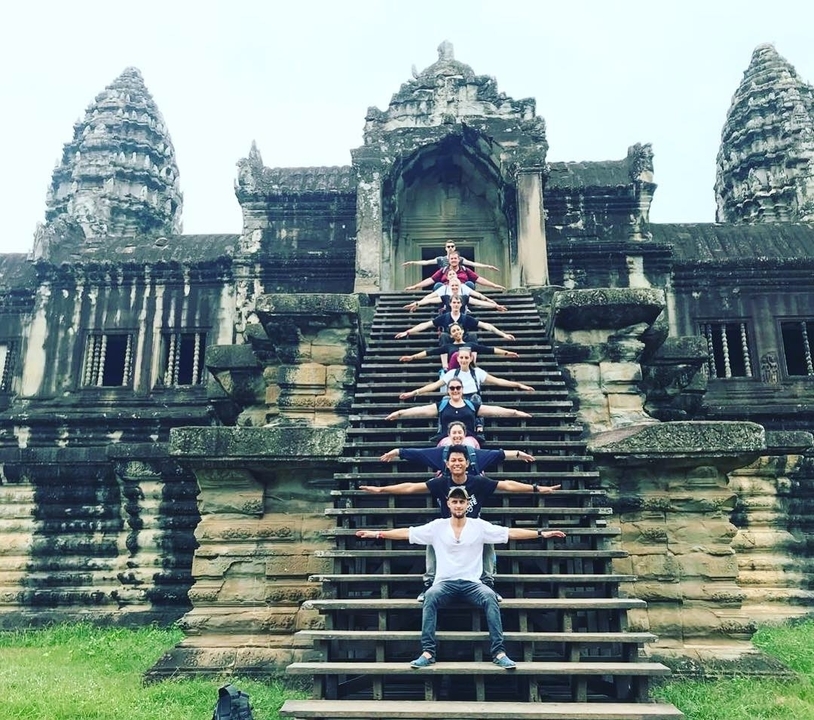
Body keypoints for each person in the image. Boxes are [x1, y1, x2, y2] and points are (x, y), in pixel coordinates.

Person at [356, 485, 566, 669]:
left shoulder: (479, 526)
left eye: (461, 501)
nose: (458, 505)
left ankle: (499, 652)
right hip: (444, 583)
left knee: (490, 597)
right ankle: (428, 652)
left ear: (467, 504)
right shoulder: (437, 526)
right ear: (448, 503)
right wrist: (377, 534)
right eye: (454, 501)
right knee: (430, 597)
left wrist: (540, 533)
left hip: (472, 583)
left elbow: (509, 533)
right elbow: (407, 533)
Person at [359, 445, 560, 600]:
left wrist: (536, 488)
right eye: (453, 460)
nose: (456, 463)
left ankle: (487, 585)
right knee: (431, 540)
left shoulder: (478, 481)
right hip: (447, 528)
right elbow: (412, 487)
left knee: (488, 542)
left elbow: (507, 485)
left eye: (460, 460)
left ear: (466, 463)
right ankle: (429, 585)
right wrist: (382, 490)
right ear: (447, 464)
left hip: (473, 526)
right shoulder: (441, 483)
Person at [386, 380, 530, 443]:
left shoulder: (472, 405)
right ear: (448, 390)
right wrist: (400, 413)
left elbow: (495, 411)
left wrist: (515, 413)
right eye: (452, 388)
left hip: (469, 438)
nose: (455, 390)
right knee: (447, 446)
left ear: (462, 390)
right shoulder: (441, 405)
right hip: (446, 439)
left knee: (468, 446)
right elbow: (419, 411)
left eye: (458, 388)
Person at [399, 346, 533, 403]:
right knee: (445, 400)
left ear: (470, 359)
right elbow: (435, 385)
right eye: (461, 358)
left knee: (475, 399)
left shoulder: (477, 372)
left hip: (472, 399)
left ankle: (479, 426)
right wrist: (413, 393)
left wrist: (519, 385)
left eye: (466, 358)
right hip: (456, 399)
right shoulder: (452, 373)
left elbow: (498, 381)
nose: (463, 360)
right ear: (458, 359)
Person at [380, 420, 536, 468]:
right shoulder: (442, 451)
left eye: (459, 433)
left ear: (464, 434)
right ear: (449, 435)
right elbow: (419, 453)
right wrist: (398, 452)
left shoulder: (472, 451)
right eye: (454, 433)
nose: (457, 436)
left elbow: (498, 454)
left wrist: (517, 454)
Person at [400, 322, 518, 372]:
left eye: (458, 329)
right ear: (451, 335)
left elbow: (489, 350)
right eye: (454, 331)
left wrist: (507, 353)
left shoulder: (470, 345)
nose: (457, 332)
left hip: (467, 370)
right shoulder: (448, 346)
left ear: (462, 331)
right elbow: (429, 352)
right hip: (454, 372)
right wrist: (412, 357)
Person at [395, 296, 514, 345]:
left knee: (473, 335)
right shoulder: (444, 317)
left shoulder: (465, 317)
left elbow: (487, 326)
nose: (456, 304)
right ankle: (445, 365)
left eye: (458, 302)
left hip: (464, 341)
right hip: (450, 341)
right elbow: (425, 325)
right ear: (450, 304)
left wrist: (503, 334)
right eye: (454, 302)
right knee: (443, 336)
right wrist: (408, 332)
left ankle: (473, 362)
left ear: (461, 304)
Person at [405, 252, 504, 292]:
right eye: (451, 258)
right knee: (437, 285)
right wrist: (415, 286)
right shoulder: (444, 270)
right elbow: (430, 280)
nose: (453, 260)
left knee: (470, 283)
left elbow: (478, 279)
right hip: (447, 293)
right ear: (449, 260)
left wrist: (494, 285)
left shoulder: (465, 269)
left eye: (455, 258)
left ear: (458, 259)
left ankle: (465, 306)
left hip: (462, 293)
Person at [404, 276, 507, 314]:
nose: (454, 287)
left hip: (462, 314)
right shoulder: (445, 295)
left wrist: (494, 304)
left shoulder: (465, 295)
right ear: (449, 285)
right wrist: (417, 303)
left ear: (460, 285)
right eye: (452, 285)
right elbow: (430, 299)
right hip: (447, 314)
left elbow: (479, 299)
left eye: (456, 285)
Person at [401, 240, 499, 272]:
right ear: (445, 248)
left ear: (455, 247)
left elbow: (473, 264)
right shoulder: (441, 259)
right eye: (448, 246)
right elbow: (427, 262)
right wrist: (412, 262)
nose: (450, 248)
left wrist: (487, 266)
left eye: (452, 246)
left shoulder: (460, 259)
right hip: (445, 280)